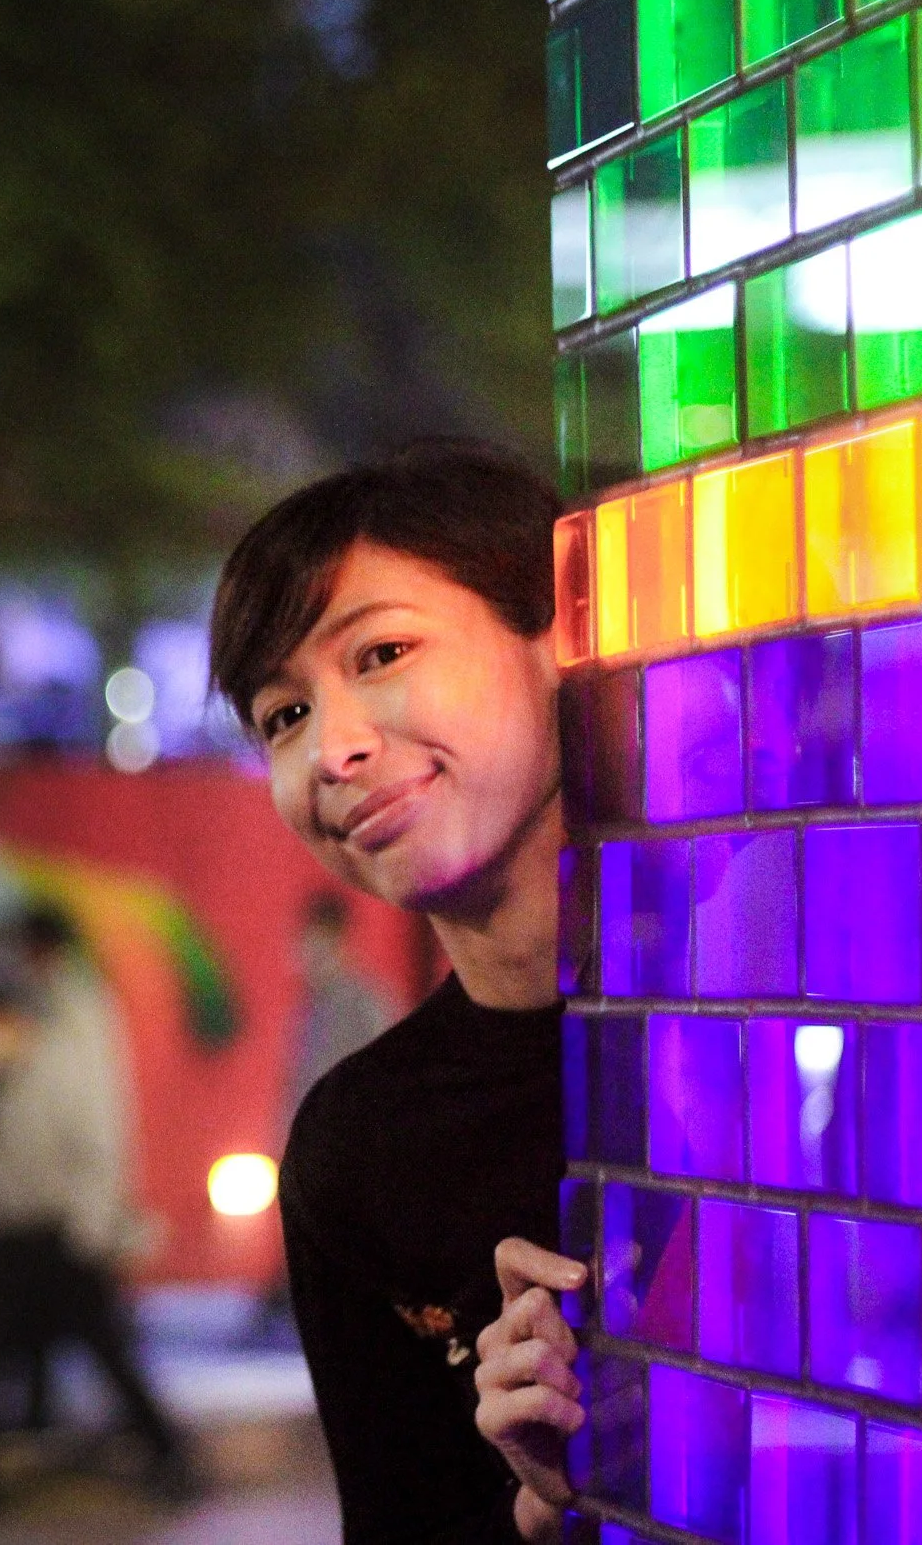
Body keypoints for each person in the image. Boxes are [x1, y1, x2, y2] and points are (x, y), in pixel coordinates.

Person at [208, 441, 572, 1544]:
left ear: (560, 634)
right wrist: (549, 1497)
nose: (333, 749)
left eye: (379, 652)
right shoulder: (353, 1150)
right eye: (282, 716)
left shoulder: (812, 1021)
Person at [0, 910, 192, 1512]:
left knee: (85, 1349)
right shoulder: (32, 1041)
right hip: (24, 1231)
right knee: (25, 1350)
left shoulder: (66, 1031)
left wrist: (91, 1222)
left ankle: (170, 1457)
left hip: (54, 1231)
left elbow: (93, 1132)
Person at [282, 891, 390, 1134]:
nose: (307, 956)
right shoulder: (308, 1009)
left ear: (341, 943)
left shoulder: (365, 1005)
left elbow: (381, 1083)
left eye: (319, 946)